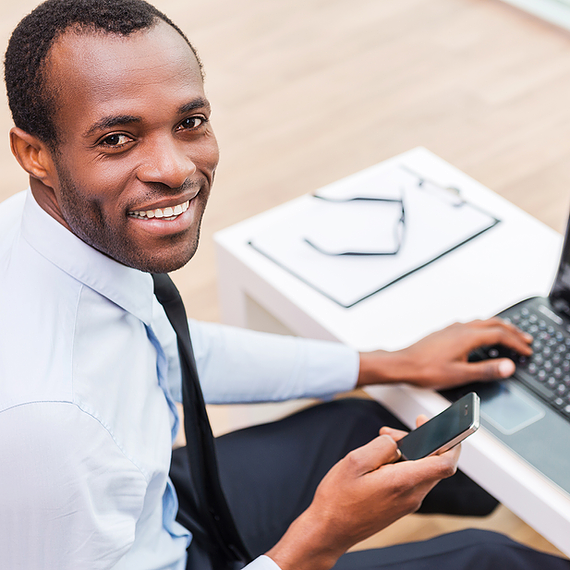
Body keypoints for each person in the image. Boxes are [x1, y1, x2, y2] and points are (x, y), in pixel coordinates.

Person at [0, 0, 567, 569]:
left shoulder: (38, 228)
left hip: (155, 505)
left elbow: (165, 349)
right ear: (34, 153)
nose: (173, 169)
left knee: (367, 424)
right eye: (118, 139)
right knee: (490, 560)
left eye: (188, 123)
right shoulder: (53, 427)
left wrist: (390, 363)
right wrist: (318, 539)